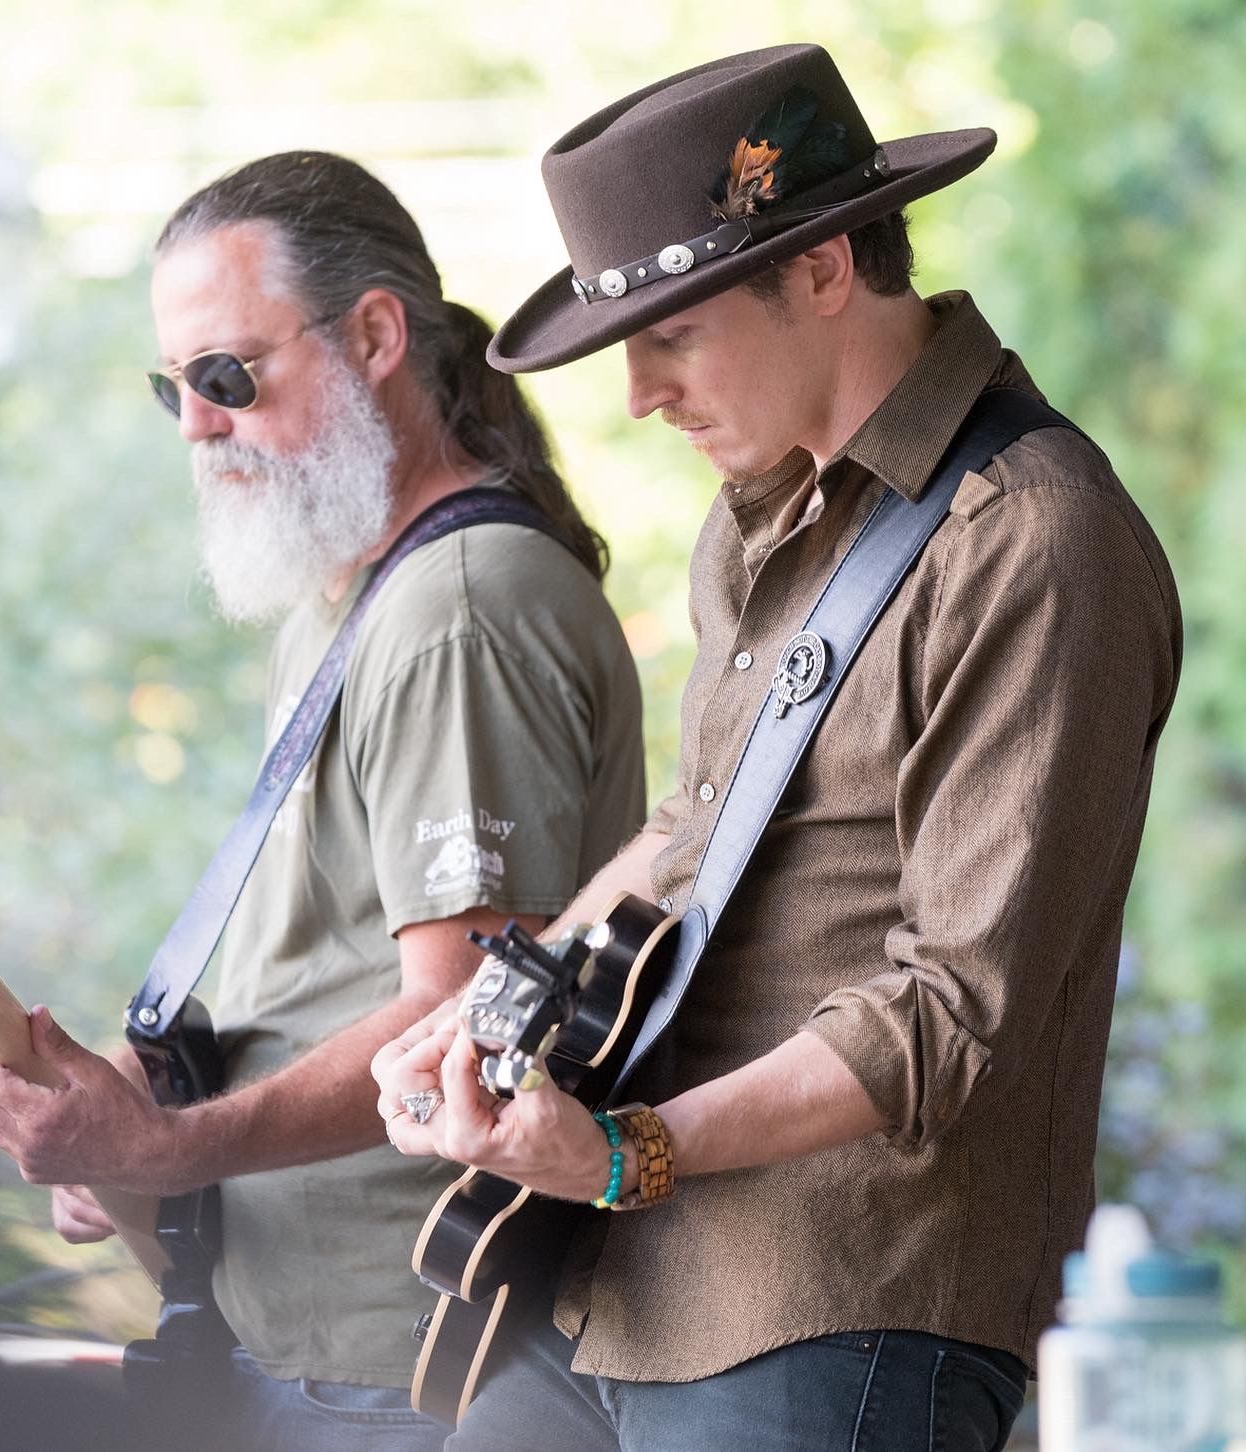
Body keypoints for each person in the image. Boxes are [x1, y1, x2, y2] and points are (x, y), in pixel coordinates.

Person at [374, 43, 1182, 1451]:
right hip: (615, 1282)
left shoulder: (1038, 539)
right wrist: (491, 1001)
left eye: (674, 334)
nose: (639, 393)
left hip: (846, 1309)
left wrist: (630, 1151)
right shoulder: (757, 515)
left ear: (820, 271)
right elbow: (691, 828)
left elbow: (953, 1012)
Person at [0, 150, 646, 1450]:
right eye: (171, 387)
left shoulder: (460, 610)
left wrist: (167, 1150)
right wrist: (139, 1099)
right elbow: (320, 975)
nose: (195, 424)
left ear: (376, 337)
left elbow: (463, 1005)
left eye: (227, 376)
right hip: (318, 1349)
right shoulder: (357, 592)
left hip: (404, 1359)